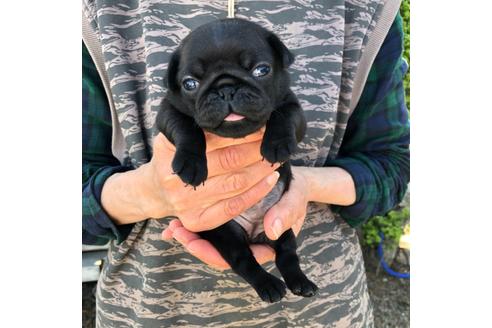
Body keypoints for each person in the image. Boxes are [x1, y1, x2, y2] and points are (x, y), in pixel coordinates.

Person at [82, 0, 409, 327]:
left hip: (324, 312)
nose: (227, 94)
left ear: (282, 64)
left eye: (259, 70)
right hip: (151, 311)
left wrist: (305, 185)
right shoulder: (98, 10)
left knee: (285, 252)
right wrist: (151, 192)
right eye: (193, 84)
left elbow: (391, 167)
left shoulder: (367, 7)